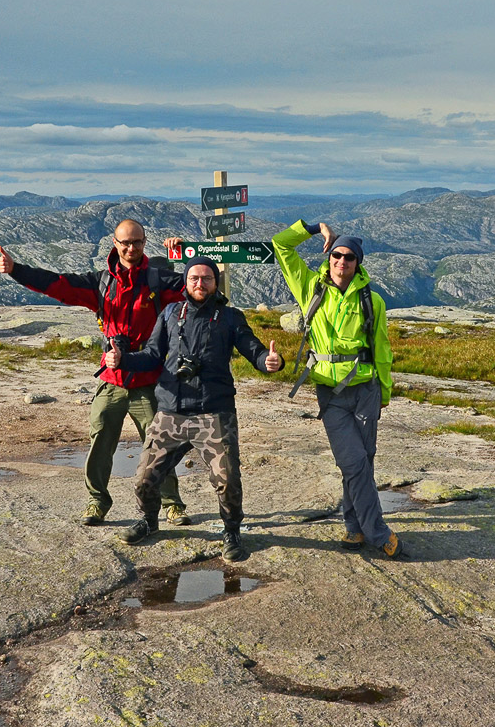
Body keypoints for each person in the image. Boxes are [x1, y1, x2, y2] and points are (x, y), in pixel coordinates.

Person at [0, 220, 191, 526]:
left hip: (149, 378)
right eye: (125, 242)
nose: (131, 248)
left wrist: (185, 257)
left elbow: (198, 288)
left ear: (145, 243)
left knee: (159, 444)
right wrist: (16, 270)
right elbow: (58, 284)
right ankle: (97, 501)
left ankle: (172, 503)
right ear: (114, 243)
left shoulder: (159, 281)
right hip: (112, 380)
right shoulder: (101, 283)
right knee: (100, 440)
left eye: (137, 242)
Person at [105, 256, 284, 561]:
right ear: (186, 283)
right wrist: (123, 360)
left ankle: (231, 531)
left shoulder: (230, 317)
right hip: (171, 411)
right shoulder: (171, 313)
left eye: (207, 278)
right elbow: (151, 354)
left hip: (214, 412)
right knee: (144, 480)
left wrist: (268, 363)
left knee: (227, 479)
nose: (200, 284)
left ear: (216, 282)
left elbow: (252, 348)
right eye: (194, 279)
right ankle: (149, 522)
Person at [271, 220, 405, 559]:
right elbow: (281, 245)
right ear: (328, 257)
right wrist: (315, 228)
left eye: (348, 258)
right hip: (331, 394)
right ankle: (378, 532)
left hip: (366, 390)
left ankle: (353, 528)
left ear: (357, 263)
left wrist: (384, 393)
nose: (341, 262)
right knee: (354, 462)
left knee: (362, 463)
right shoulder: (310, 288)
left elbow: (382, 350)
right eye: (336, 256)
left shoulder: (372, 301)